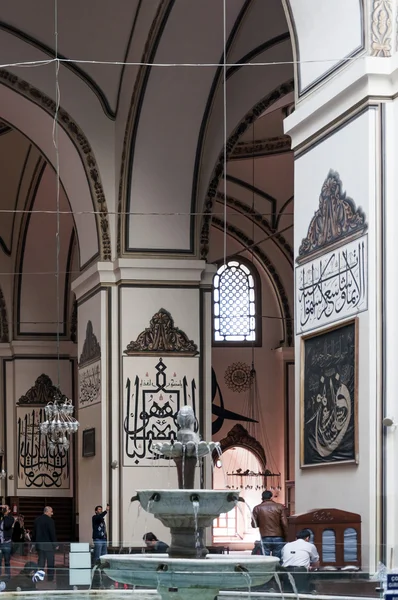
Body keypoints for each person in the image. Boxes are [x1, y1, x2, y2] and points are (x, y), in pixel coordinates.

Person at [251, 490, 288, 560]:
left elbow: (254, 525)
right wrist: (286, 536)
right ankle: (276, 571)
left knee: (265, 560)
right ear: (271, 497)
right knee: (277, 560)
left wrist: (262, 522)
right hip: (278, 536)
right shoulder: (279, 507)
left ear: (262, 498)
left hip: (265, 537)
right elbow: (284, 523)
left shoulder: (257, 508)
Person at [281, 528, 320, 593]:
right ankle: (313, 592)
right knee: (302, 593)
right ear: (307, 538)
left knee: (288, 594)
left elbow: (283, 559)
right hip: (301, 572)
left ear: (296, 538)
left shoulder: (286, 545)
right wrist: (311, 568)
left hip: (286, 571)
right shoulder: (310, 546)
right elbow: (316, 562)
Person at [32, 506, 58, 582]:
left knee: (41, 562)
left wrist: (34, 543)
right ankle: (50, 578)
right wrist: (55, 544)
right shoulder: (50, 521)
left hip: (40, 545)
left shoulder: (37, 520)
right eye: (51, 511)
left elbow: (34, 533)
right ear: (47, 511)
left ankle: (40, 577)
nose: (52, 513)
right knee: (50, 562)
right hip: (49, 546)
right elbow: (52, 534)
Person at [0, 505, 14, 579]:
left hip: (6, 543)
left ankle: (7, 576)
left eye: (6, 509)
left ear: (9, 511)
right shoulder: (1, 517)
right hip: (0, 542)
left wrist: (5, 515)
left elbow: (7, 525)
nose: (4, 509)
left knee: (7, 561)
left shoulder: (10, 518)